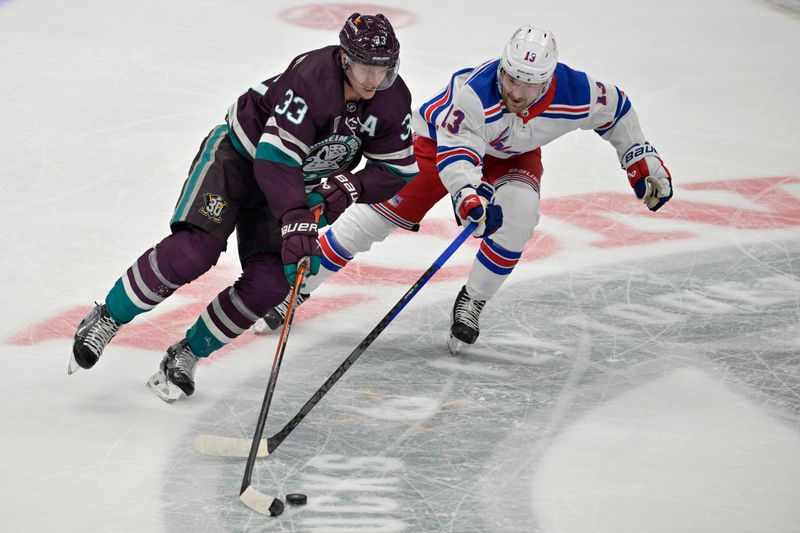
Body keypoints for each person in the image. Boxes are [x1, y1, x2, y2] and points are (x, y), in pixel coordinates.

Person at [252, 24, 674, 355]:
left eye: (527, 85)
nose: (514, 91)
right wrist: (469, 197)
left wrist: (639, 158)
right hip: (439, 145)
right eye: (510, 78)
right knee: (373, 218)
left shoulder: (577, 91)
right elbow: (458, 156)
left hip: (512, 156)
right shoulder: (473, 93)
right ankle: (298, 287)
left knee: (521, 216)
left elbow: (617, 111)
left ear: (547, 81)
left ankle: (472, 299)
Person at [69, 13, 418, 402]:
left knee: (273, 281)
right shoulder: (312, 79)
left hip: (291, 184)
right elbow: (274, 157)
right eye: (366, 67)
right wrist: (296, 218)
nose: (374, 79)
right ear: (344, 59)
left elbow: (397, 169)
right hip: (238, 158)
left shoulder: (392, 101)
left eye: (383, 69)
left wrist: (351, 185)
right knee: (194, 252)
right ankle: (107, 317)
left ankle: (187, 353)